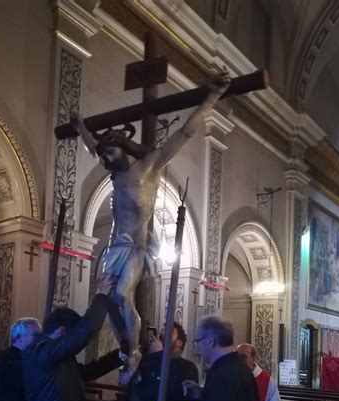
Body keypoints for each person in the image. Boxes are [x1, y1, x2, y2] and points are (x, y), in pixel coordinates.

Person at [71, 70, 231, 384]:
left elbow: (184, 133)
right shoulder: (114, 172)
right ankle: (127, 348)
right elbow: (92, 147)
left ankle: (133, 354)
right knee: (109, 299)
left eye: (112, 150)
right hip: (115, 246)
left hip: (136, 247)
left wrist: (212, 97)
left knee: (121, 293)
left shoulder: (150, 166)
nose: (107, 157)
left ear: (124, 147)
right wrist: (79, 127)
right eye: (105, 154)